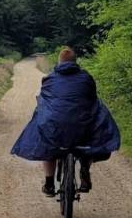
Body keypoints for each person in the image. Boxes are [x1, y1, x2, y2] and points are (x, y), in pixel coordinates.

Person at [10, 47, 120, 196]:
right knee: (94, 127)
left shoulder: (49, 79)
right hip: (82, 127)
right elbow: (92, 100)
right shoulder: (86, 78)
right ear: (76, 62)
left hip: (55, 128)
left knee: (47, 142)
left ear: (59, 62)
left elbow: (44, 100)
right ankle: (85, 169)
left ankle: (49, 183)